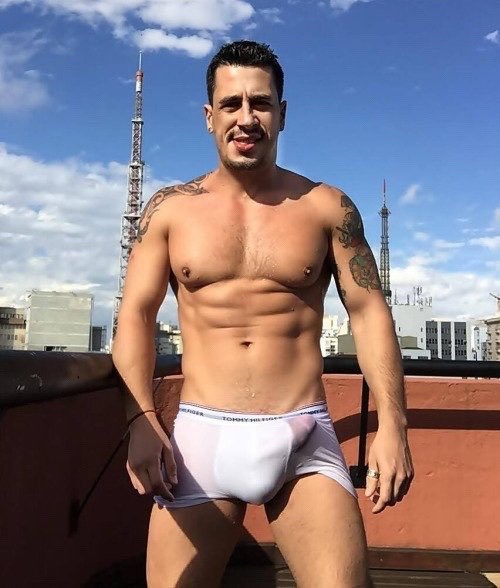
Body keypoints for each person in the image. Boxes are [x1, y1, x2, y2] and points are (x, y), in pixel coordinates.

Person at [112, 40, 413, 588]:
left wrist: (393, 425)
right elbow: (135, 315)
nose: (246, 118)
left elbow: (369, 312)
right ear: (209, 116)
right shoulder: (170, 210)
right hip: (201, 435)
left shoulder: (327, 207)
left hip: (302, 433)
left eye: (261, 103)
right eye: (231, 104)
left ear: (282, 113)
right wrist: (140, 420)